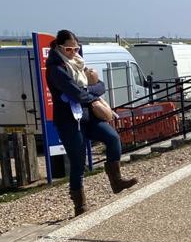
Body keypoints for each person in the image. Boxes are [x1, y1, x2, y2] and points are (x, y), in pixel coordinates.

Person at [45, 30, 138, 217]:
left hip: (88, 115)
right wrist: (92, 93)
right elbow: (77, 94)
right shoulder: (56, 68)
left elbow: (100, 85)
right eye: (69, 49)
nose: (73, 52)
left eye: (75, 48)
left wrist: (89, 90)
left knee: (112, 138)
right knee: (78, 162)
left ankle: (116, 180)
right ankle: (80, 204)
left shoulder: (78, 64)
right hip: (69, 120)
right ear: (59, 47)